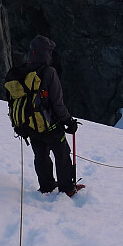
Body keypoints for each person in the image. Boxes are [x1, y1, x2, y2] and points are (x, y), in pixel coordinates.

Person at [23, 35, 81, 196]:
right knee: (62, 154)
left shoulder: (25, 71)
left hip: (31, 125)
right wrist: (69, 121)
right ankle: (67, 188)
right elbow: (57, 102)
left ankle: (46, 186)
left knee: (41, 156)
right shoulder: (49, 72)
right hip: (51, 125)